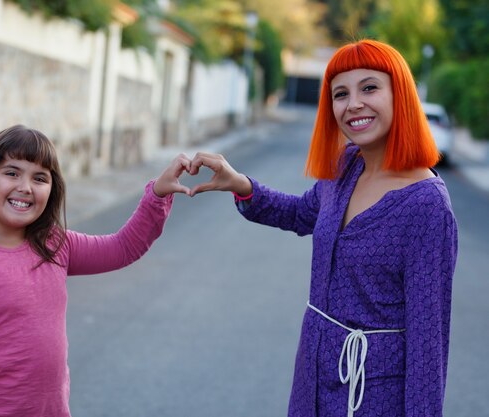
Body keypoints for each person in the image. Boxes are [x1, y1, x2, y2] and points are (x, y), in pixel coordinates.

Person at [188, 39, 458, 416]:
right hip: (313, 373)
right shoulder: (347, 165)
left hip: (373, 395)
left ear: (400, 95)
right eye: (340, 94)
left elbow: (428, 343)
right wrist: (242, 186)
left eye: (369, 88)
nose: (354, 104)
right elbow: (302, 213)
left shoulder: (426, 204)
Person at [0, 124, 192, 417]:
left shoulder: (55, 245)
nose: (25, 187)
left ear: (52, 189)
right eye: (11, 172)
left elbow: (123, 247)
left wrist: (158, 193)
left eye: (40, 178)